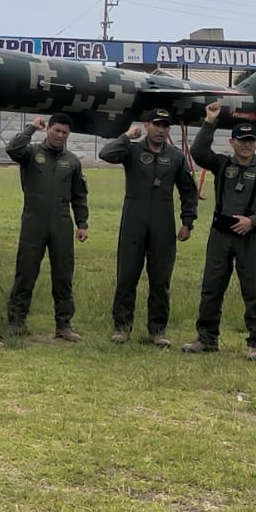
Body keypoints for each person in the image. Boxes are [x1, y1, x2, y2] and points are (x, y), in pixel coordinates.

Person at [183, 103, 256, 361]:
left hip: (250, 237)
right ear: (232, 142)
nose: (246, 145)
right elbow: (197, 151)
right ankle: (206, 339)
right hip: (220, 235)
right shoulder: (221, 165)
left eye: (251, 141)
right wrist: (210, 122)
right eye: (241, 140)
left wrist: (253, 221)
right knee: (212, 287)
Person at [99, 108, 199, 346]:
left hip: (163, 224)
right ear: (146, 125)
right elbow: (106, 154)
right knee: (127, 276)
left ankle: (157, 331)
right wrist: (125, 137)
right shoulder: (132, 151)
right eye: (157, 124)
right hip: (134, 221)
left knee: (160, 279)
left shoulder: (175, 157)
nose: (161, 130)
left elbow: (188, 190)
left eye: (165, 126)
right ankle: (122, 328)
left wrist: (188, 222)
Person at [5, 113, 89, 340]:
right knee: (26, 273)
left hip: (61, 224)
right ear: (48, 129)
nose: (60, 136)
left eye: (64, 132)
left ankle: (64, 325)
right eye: (56, 131)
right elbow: (12, 149)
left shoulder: (72, 161)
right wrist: (30, 128)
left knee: (63, 275)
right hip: (33, 222)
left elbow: (79, 196)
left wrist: (82, 223)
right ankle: (16, 322)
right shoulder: (31, 153)